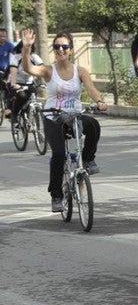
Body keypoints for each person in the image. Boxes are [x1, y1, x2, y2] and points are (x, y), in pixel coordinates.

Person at [18, 30, 108, 211]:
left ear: (71, 50)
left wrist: (99, 101)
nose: (61, 50)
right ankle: (57, 195)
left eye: (65, 46)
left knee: (93, 125)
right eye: (57, 46)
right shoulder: (48, 70)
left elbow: (91, 89)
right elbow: (29, 69)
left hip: (73, 115)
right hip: (53, 117)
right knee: (59, 154)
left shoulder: (80, 71)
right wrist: (26, 49)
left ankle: (88, 159)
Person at [5, 39, 43, 123]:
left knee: (33, 96)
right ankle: (15, 113)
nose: (26, 49)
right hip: (16, 82)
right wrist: (14, 84)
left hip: (30, 83)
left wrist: (45, 81)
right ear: (20, 48)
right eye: (24, 47)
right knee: (22, 96)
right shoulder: (15, 57)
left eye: (29, 47)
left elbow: (42, 69)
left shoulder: (34, 57)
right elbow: (13, 71)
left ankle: (31, 116)